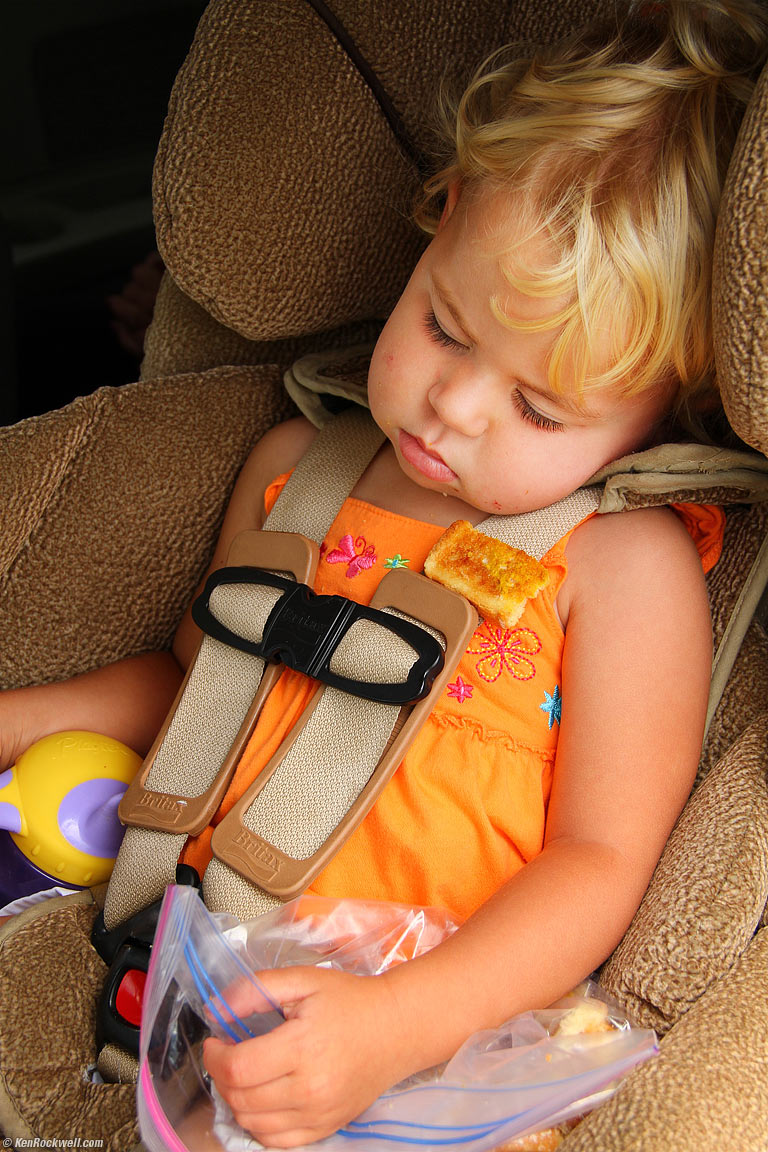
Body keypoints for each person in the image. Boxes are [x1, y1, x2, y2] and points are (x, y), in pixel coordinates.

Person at [1, 0, 766, 1145]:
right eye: (447, 327)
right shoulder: (295, 471)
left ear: (672, 401)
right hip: (184, 973)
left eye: (539, 406)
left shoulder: (622, 566)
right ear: (440, 218)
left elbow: (600, 863)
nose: (453, 410)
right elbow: (197, 690)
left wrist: (397, 1027)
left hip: (426, 1041)